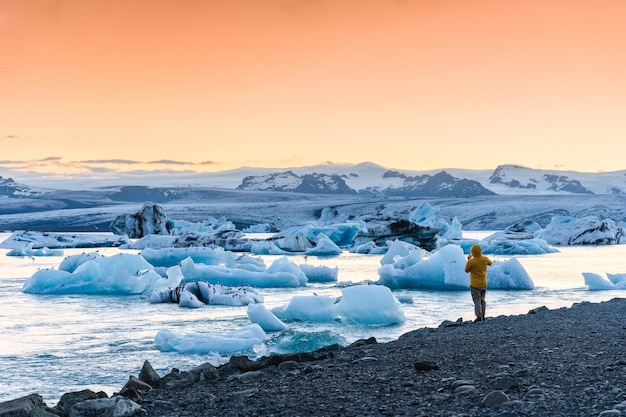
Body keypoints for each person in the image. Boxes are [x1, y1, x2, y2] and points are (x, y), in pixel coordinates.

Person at [464, 244, 492, 322]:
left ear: (473, 252)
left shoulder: (472, 262)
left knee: (477, 301)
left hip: (474, 284)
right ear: (480, 251)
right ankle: (483, 315)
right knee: (482, 300)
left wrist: (469, 259)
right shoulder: (485, 259)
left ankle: (479, 316)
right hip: (483, 283)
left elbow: (466, 270)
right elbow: (490, 263)